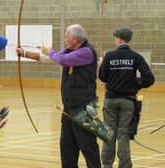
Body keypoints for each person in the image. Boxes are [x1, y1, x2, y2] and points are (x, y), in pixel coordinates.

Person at [16, 24, 101, 168]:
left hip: (85, 110)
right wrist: (24, 53)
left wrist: (50, 51)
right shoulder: (69, 51)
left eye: (67, 36)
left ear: (75, 39)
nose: (65, 39)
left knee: (89, 149)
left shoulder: (86, 52)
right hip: (68, 111)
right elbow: (51, 58)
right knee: (67, 149)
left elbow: (62, 59)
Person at [99, 27, 155, 168]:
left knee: (108, 133)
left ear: (118, 39)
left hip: (111, 100)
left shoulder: (109, 56)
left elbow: (102, 77)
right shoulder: (136, 57)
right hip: (128, 100)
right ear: (129, 40)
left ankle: (106, 165)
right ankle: (124, 165)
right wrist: (135, 84)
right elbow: (149, 79)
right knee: (123, 135)